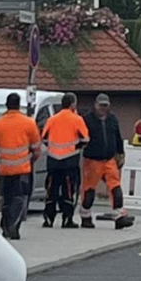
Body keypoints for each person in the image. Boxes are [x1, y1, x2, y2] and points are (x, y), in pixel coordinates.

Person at [0, 92, 42, 240]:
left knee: (6, 198)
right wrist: (30, 160)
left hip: (4, 169)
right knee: (19, 198)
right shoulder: (29, 123)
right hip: (23, 170)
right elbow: (37, 148)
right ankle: (14, 227)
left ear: (7, 105)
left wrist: (0, 160)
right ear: (19, 105)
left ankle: (5, 227)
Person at [79, 93, 135, 229]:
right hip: (92, 160)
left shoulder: (112, 119)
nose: (103, 108)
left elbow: (117, 137)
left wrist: (120, 153)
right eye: (101, 105)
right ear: (95, 105)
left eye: (105, 106)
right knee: (89, 190)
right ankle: (85, 216)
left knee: (115, 187)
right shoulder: (86, 119)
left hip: (109, 159)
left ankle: (119, 216)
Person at [40, 92, 89, 229]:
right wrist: (76, 147)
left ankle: (48, 219)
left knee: (51, 190)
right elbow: (85, 139)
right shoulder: (77, 119)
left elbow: (44, 138)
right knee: (68, 190)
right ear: (73, 103)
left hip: (53, 161)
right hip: (70, 160)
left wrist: (54, 149)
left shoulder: (52, 119)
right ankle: (67, 219)